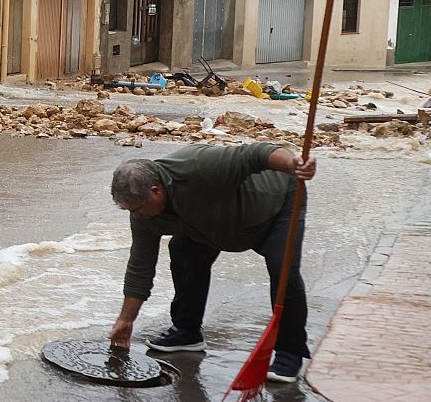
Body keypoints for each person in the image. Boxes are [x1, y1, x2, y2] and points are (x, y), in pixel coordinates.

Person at [105, 141, 317, 383]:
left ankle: (290, 350)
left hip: (273, 208)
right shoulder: (142, 213)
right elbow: (140, 268)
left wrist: (293, 164)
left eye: (139, 209)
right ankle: (187, 332)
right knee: (184, 251)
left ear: (156, 190)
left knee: (284, 271)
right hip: (211, 223)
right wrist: (126, 320)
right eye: (129, 211)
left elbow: (258, 153)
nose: (137, 216)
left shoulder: (198, 165)